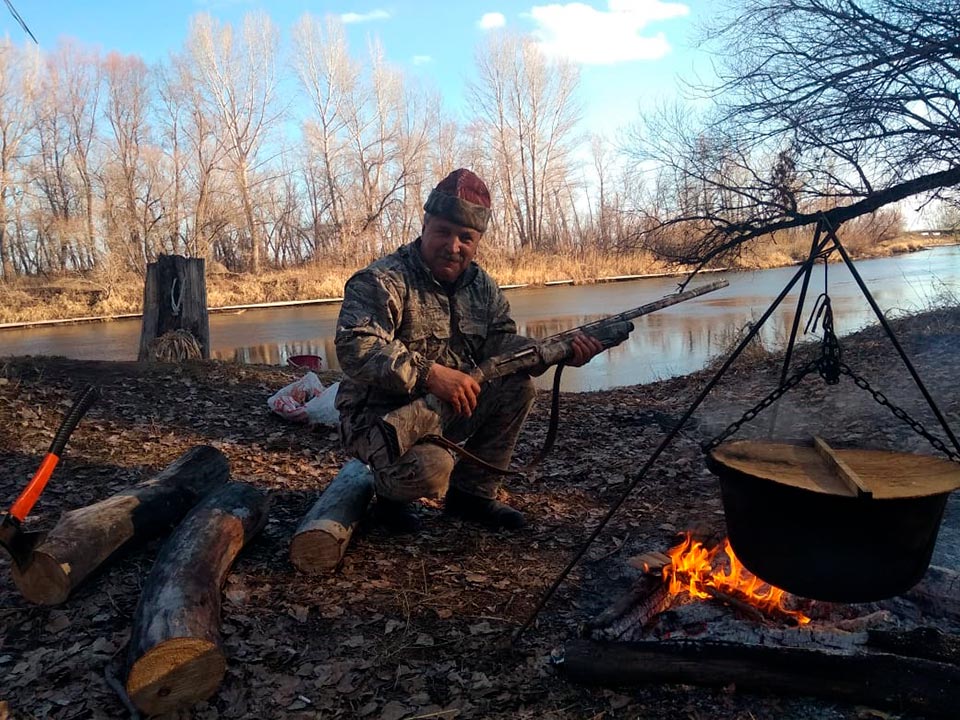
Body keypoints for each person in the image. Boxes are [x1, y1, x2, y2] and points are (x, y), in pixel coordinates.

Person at [334, 168, 603, 533]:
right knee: (431, 469)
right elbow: (356, 347)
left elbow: (501, 342)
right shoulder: (382, 280)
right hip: (379, 421)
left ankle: (471, 497)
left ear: (477, 240)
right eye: (443, 231)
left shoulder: (482, 286)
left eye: (466, 237)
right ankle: (387, 495)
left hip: (442, 410)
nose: (453, 245)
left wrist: (556, 351)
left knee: (517, 387)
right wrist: (428, 374)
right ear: (425, 224)